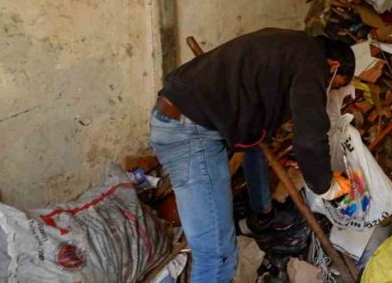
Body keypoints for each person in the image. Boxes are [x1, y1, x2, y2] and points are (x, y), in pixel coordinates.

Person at [149, 29, 355, 282]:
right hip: (191, 133)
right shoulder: (313, 60)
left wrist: (264, 210)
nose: (330, 91)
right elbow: (310, 135)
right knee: (217, 257)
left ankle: (262, 215)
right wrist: (327, 185)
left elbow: (255, 133)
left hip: (182, 117)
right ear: (333, 65)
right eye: (336, 84)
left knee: (257, 145)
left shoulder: (288, 45)